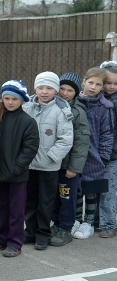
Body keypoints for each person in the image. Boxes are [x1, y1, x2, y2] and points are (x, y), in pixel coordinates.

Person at [0, 80, 39, 257]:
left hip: (17, 175)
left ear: (22, 100)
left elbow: (30, 148)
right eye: (6, 98)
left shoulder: (28, 122)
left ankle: (15, 242)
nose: (10, 102)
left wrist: (16, 167)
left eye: (14, 99)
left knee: (16, 210)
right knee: (1, 207)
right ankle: (2, 238)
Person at [22, 72, 74, 250]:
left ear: (56, 90)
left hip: (49, 166)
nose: (44, 92)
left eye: (49, 88)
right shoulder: (26, 106)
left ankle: (43, 234)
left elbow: (66, 138)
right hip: (28, 164)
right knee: (29, 200)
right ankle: (29, 231)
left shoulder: (62, 110)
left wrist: (51, 157)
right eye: (40, 87)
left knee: (45, 202)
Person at [48, 73, 89, 246]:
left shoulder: (77, 112)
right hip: (52, 164)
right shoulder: (53, 106)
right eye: (62, 89)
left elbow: (81, 142)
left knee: (67, 197)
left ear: (76, 92)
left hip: (68, 166)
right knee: (54, 197)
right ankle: (55, 224)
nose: (64, 93)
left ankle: (65, 228)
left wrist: (74, 167)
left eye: (70, 90)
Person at [73, 67, 114, 239]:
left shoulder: (105, 107)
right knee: (76, 191)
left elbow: (107, 134)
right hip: (75, 155)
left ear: (102, 87)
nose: (93, 87)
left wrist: (103, 157)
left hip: (94, 156)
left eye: (98, 84)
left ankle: (88, 223)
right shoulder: (75, 102)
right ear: (83, 81)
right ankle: (75, 220)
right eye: (90, 83)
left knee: (90, 191)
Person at [98, 61, 117, 238]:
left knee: (108, 191)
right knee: (97, 188)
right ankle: (97, 221)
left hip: (113, 155)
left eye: (115, 83)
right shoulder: (98, 99)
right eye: (108, 83)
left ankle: (109, 224)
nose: (111, 86)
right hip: (98, 153)